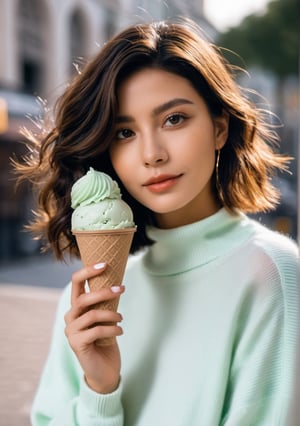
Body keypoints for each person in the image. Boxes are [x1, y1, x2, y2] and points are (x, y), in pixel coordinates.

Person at [16, 18, 299, 425]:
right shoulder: (86, 308)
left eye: (174, 119)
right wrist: (100, 392)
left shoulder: (271, 273)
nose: (152, 154)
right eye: (124, 132)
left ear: (219, 127)